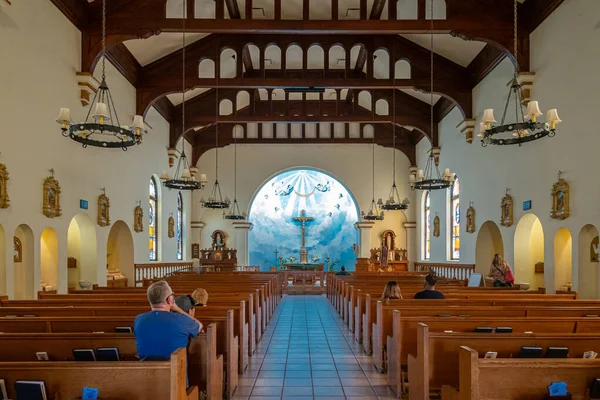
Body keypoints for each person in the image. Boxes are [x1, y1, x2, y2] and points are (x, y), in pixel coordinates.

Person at [134, 281, 203, 362]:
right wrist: (178, 309)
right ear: (170, 299)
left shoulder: (138, 319)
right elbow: (199, 325)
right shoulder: (181, 319)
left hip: (146, 372)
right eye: (172, 295)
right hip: (175, 373)